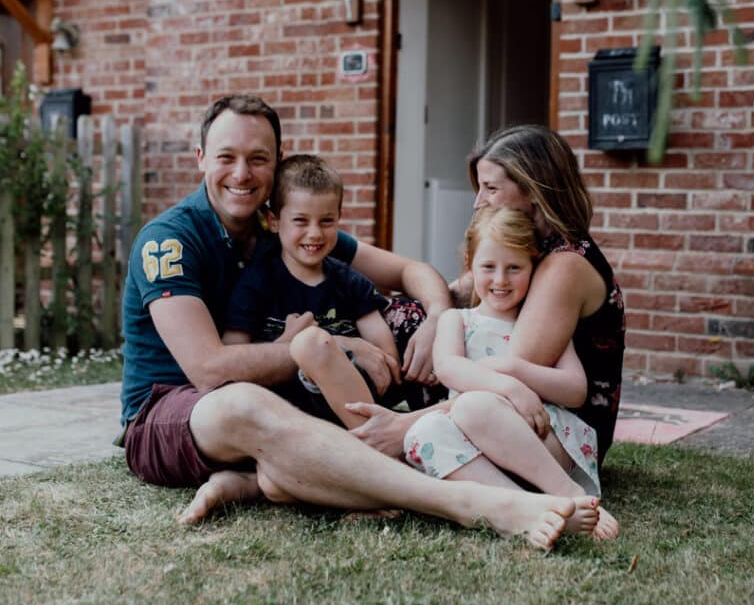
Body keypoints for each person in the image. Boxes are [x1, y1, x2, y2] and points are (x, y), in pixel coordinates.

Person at [118, 95, 583, 550]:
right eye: (226, 157)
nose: (242, 173)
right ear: (201, 158)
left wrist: (439, 317)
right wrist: (342, 345)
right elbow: (208, 372)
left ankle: (259, 482)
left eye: (258, 158)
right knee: (241, 402)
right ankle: (466, 502)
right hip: (169, 411)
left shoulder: (286, 228)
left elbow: (408, 272)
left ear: (278, 162)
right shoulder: (170, 240)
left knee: (386, 333)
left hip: (274, 404)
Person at [344, 125, 625, 521]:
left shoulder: (564, 265)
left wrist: (403, 426)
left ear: (533, 189)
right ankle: (343, 425)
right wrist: (437, 316)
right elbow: (453, 291)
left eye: (490, 189)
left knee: (428, 401)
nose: (478, 202)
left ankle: (369, 444)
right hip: (497, 409)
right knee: (404, 316)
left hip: (551, 425)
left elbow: (505, 385)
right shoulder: (522, 251)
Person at [402, 206, 617, 538]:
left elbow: (576, 390)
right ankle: (523, 507)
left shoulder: (538, 322)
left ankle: (570, 495)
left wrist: (514, 369)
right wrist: (510, 387)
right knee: (421, 433)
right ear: (469, 266)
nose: (500, 280)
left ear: (532, 267)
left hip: (538, 440)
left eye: (514, 268)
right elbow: (447, 367)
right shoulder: (457, 320)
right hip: (478, 449)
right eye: (489, 267)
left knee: (473, 406)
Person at [221, 154, 399, 429]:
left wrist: (370, 366)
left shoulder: (349, 281)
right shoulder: (256, 283)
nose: (315, 233)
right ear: (274, 220)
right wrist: (288, 344)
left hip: (347, 405)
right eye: (301, 221)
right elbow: (234, 356)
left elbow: (383, 350)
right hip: (283, 412)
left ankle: (371, 444)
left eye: (326, 221)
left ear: (339, 218)